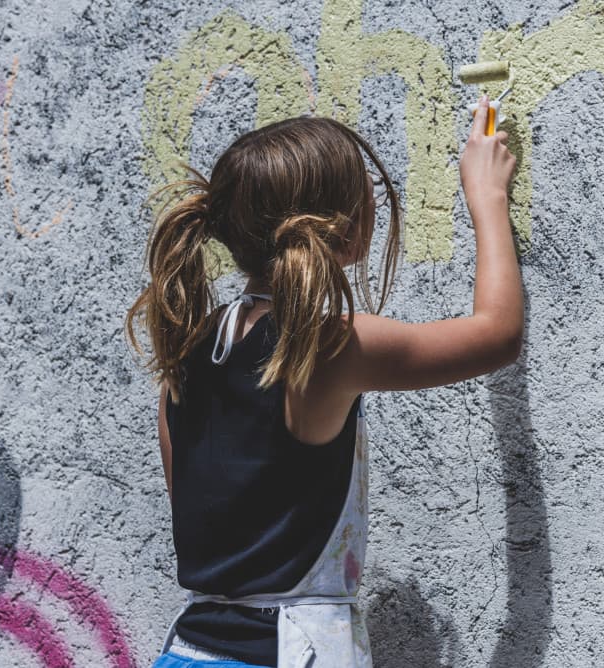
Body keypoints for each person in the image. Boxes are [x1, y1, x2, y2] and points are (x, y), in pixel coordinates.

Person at [124, 94, 521, 668]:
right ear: (346, 227)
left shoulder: (186, 354)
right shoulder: (326, 346)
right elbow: (498, 335)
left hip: (188, 650)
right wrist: (488, 196)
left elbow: (218, 521)